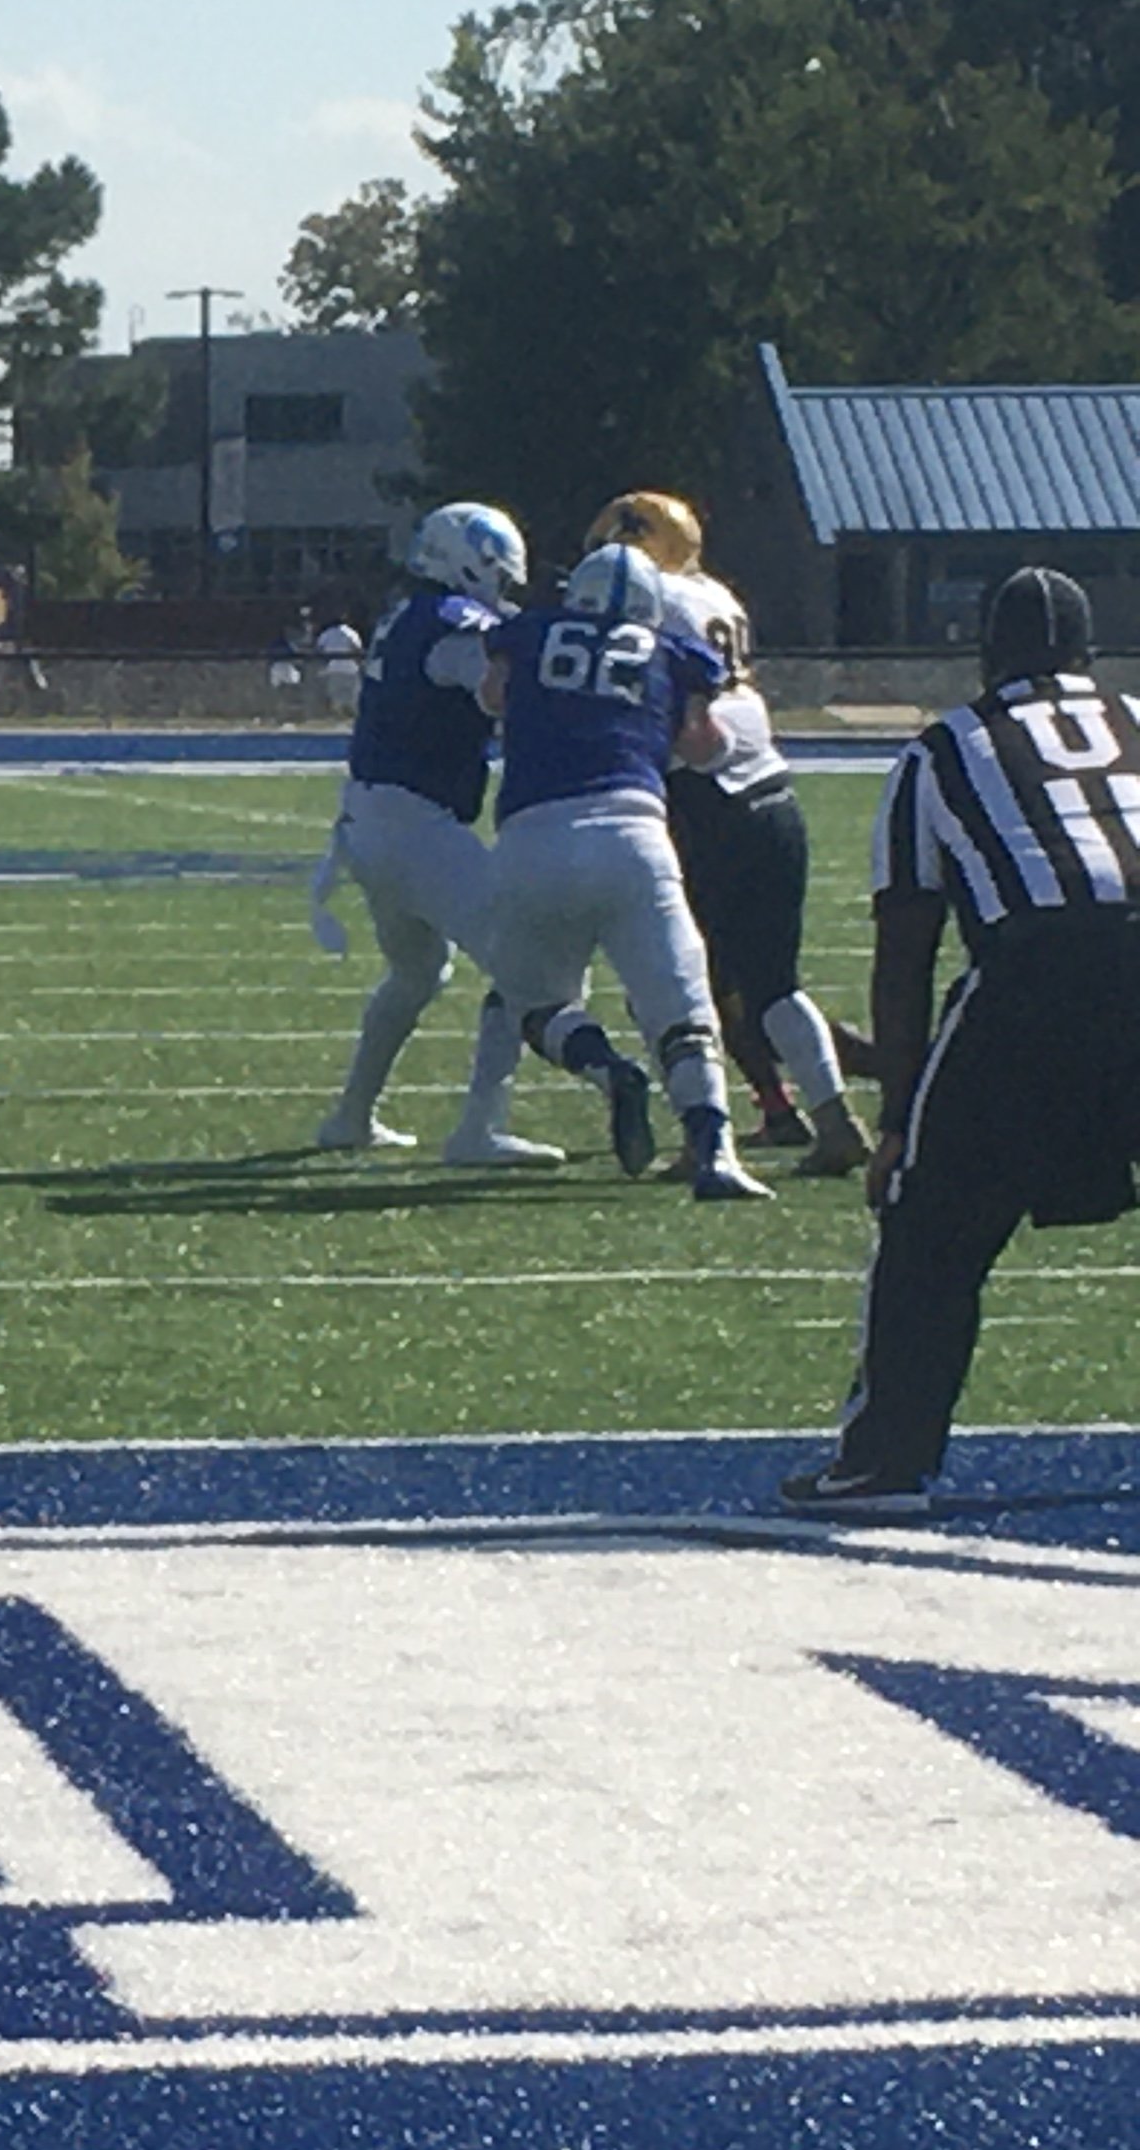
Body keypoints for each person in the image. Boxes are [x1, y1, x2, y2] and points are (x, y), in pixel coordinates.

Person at [784, 568, 1140, 1512]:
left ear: (987, 655)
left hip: (1037, 977)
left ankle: (884, 1461)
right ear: (1087, 654)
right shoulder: (1136, 717)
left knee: (931, 1232)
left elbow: (906, 946)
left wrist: (900, 1119)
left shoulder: (944, 748)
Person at [583, 491, 873, 1180]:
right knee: (772, 984)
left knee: (675, 980)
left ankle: (706, 1133)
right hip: (772, 789)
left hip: (705, 799)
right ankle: (819, 1116)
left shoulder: (650, 600)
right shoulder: (716, 595)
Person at [478, 542, 770, 1201]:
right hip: (634, 838)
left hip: (532, 839)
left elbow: (492, 697)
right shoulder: (673, 652)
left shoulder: (529, 632)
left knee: (533, 1003)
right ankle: (716, 1152)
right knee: (683, 1007)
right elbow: (704, 747)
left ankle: (609, 1069)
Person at [308, 500, 557, 1167]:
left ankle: (351, 1116)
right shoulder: (455, 624)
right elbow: (500, 695)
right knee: (526, 961)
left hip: (370, 821)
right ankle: (482, 1127)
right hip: (414, 825)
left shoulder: (411, 614)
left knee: (418, 972)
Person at [314, 611, 364, 720]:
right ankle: (351, 719)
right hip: (350, 670)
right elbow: (357, 649)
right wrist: (360, 665)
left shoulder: (326, 634)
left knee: (336, 697)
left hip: (333, 669)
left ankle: (338, 718)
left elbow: (319, 650)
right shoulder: (351, 633)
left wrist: (322, 666)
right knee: (352, 697)